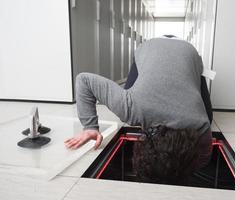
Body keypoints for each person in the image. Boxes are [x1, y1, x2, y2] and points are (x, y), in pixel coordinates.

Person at [64, 36, 213, 185]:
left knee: (208, 114)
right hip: (167, 47)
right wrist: (90, 128)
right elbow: (84, 80)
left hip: (187, 51)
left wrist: (90, 126)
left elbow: (205, 157)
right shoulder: (131, 108)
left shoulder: (200, 124)